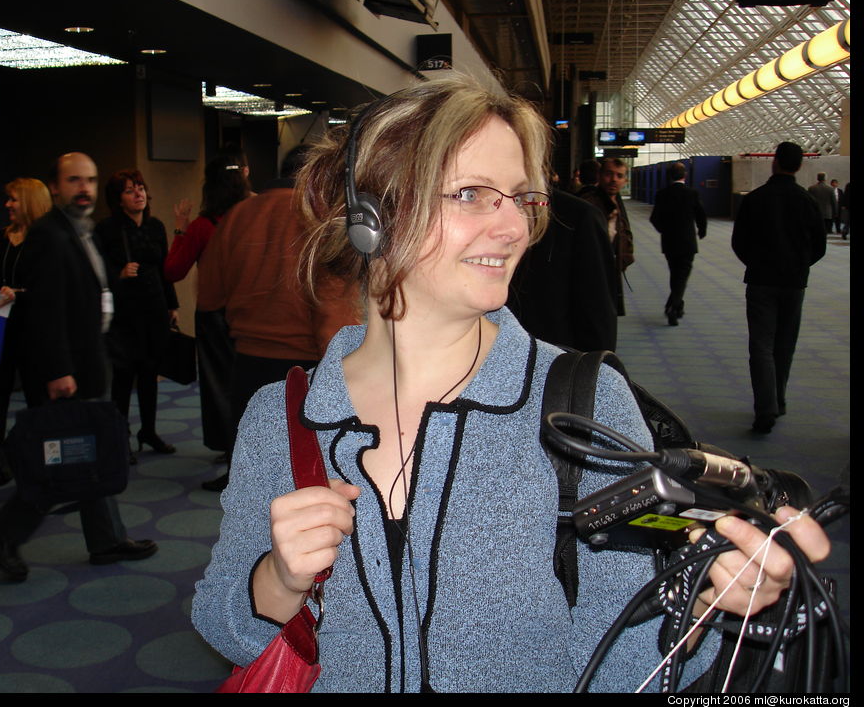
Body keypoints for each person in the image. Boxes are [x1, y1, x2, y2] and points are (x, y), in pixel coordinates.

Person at [191, 74, 830, 692]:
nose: (515, 227)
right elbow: (224, 621)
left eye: (521, 197)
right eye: (471, 193)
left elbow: (624, 664)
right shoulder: (283, 415)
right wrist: (278, 580)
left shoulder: (581, 406)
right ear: (371, 215)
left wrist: (705, 609)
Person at [0, 152, 157, 582]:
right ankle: (3, 532)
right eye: (75, 181)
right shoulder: (49, 235)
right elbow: (45, 310)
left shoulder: (82, 231)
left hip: (91, 360)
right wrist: (59, 369)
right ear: (56, 187)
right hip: (66, 371)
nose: (85, 189)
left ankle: (107, 540)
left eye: (91, 181)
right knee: (59, 463)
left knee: (91, 453)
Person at [195, 145, 360, 491]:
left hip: (246, 365)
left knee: (252, 480)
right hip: (306, 368)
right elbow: (332, 314)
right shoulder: (320, 217)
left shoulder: (238, 215)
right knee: (308, 479)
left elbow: (208, 295)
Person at [732, 142, 827, 434]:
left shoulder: (755, 199)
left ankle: (765, 408)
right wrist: (800, 265)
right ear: (799, 166)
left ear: (774, 162)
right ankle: (780, 399)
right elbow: (819, 246)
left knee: (761, 345)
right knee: (785, 344)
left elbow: (739, 241)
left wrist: (756, 262)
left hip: (761, 280)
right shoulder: (806, 200)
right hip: (794, 282)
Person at [164, 153, 253, 463]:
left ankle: (230, 448)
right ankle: (244, 448)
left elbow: (173, 270)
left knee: (219, 386)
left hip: (214, 314)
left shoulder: (203, 226)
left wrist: (179, 228)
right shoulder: (254, 214)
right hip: (252, 312)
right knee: (249, 382)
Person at [94, 169, 179, 460]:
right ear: (118, 200)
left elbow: (166, 269)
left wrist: (173, 304)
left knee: (149, 373)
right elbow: (96, 272)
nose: (138, 194)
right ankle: (120, 438)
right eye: (130, 190)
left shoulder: (155, 226)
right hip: (124, 312)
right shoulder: (106, 229)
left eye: (140, 187)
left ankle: (149, 430)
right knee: (122, 377)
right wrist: (118, 274)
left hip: (153, 307)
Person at [0, 177, 52, 431]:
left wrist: (19, 294)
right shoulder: (1, 238)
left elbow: (51, 291)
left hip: (34, 330)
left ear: (30, 203)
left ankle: (40, 457)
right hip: (0, 329)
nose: (7, 204)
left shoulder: (48, 241)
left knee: (37, 397)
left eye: (13, 199)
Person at [506, 184, 618, 351]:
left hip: (551, 355)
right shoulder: (462, 210)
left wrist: (594, 371)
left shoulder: (576, 217)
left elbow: (596, 310)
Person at [650, 162, 707, 326]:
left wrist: (664, 231)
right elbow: (701, 215)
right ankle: (674, 307)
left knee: (675, 273)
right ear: (685, 175)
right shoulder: (692, 193)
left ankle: (676, 304)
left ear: (669, 176)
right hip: (688, 242)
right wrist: (701, 230)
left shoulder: (662, 194)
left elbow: (654, 218)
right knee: (681, 275)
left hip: (669, 242)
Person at [578, 158, 633, 316]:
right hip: (591, 273)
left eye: (619, 176)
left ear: (625, 181)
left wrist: (625, 257)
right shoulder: (588, 204)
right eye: (609, 174)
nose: (614, 179)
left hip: (611, 269)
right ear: (600, 175)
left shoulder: (616, 202)